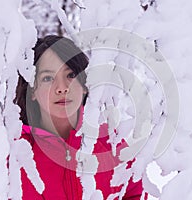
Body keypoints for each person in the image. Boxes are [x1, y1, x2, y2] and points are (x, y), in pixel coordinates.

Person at [13, 35, 147, 199]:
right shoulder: (11, 152)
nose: (62, 88)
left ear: (85, 84)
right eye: (47, 78)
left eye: (70, 75)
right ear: (32, 91)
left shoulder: (110, 144)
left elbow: (134, 193)